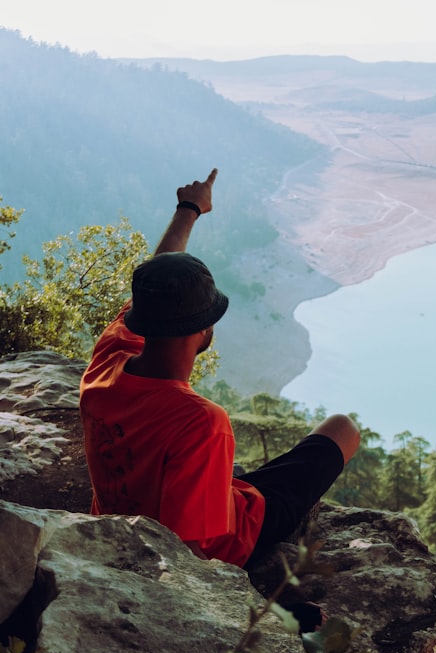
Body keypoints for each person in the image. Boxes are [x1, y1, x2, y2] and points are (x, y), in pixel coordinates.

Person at [80, 168, 359, 568]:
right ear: (204, 330)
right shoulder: (200, 421)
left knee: (243, 478)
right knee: (342, 430)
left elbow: (159, 274)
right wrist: (279, 610)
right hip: (238, 535)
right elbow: (189, 554)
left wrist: (189, 209)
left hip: (118, 523)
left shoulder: (108, 358)